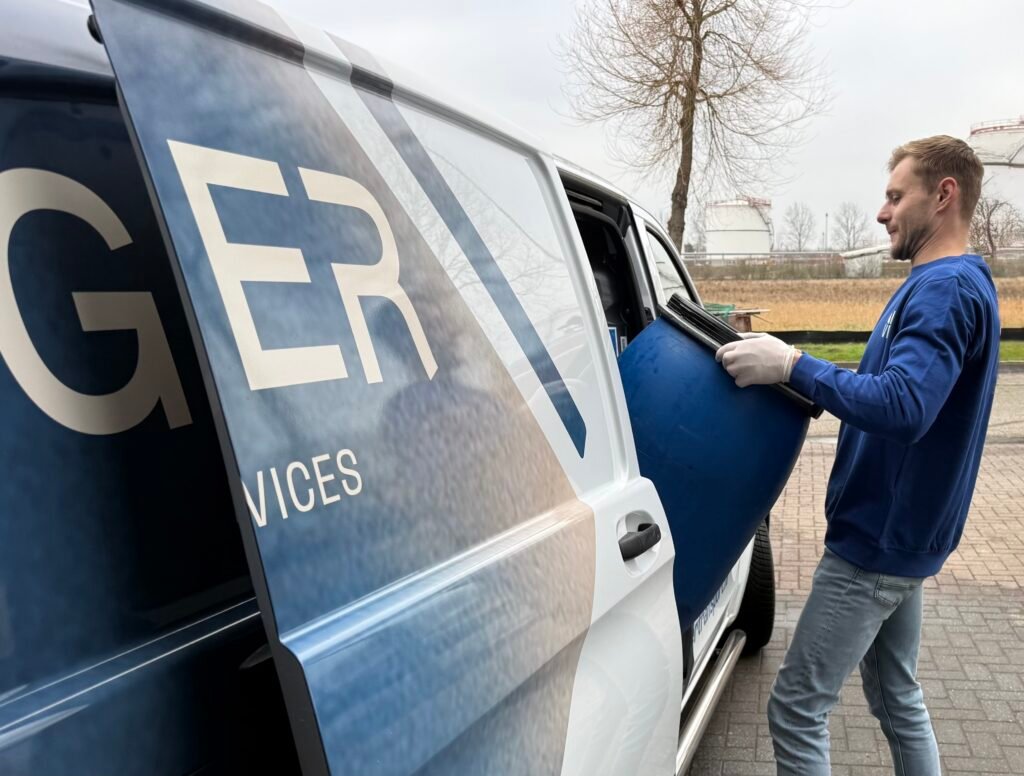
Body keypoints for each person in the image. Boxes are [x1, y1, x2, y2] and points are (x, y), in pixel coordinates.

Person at [715, 135, 1000, 776]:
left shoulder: (946, 290)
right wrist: (800, 381)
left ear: (944, 195)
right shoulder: (942, 283)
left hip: (875, 546)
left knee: (795, 708)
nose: (882, 212)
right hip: (901, 542)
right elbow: (890, 390)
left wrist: (793, 363)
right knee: (897, 697)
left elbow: (903, 406)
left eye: (896, 196)